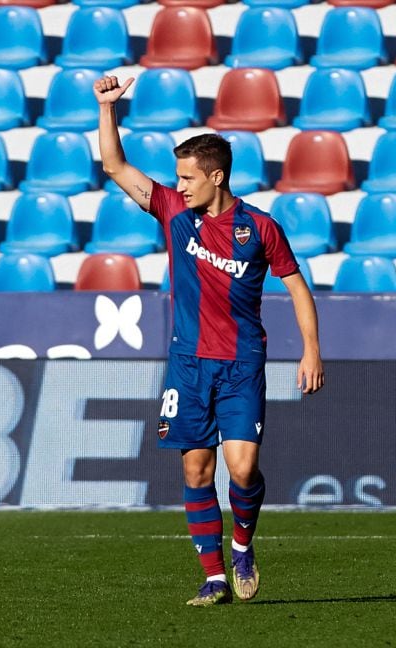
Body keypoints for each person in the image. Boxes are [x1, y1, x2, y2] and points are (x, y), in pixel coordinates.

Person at [93, 75, 325, 607]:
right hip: (188, 364)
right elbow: (114, 167)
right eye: (177, 177)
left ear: (216, 177)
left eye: (188, 177)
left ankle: (243, 544)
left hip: (242, 362)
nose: (180, 185)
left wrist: (311, 349)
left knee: (241, 468)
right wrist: (107, 110)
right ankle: (215, 576)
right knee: (196, 469)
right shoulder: (175, 211)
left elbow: (296, 286)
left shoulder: (261, 228)